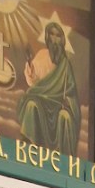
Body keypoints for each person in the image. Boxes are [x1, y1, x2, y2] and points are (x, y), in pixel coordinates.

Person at [19, 21, 80, 158]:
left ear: (62, 39)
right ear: (47, 37)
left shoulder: (66, 64)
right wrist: (30, 68)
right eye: (52, 34)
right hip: (41, 99)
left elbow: (71, 91)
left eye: (58, 35)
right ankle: (28, 146)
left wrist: (67, 102)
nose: (54, 39)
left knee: (65, 116)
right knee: (31, 104)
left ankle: (64, 158)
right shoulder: (41, 55)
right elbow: (33, 82)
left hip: (58, 104)